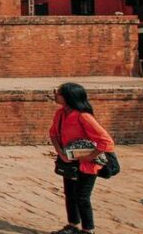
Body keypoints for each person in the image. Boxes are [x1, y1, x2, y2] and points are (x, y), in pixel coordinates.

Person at [49, 83, 115, 234]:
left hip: (88, 164)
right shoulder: (60, 114)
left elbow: (107, 141)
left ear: (68, 97)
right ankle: (72, 225)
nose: (55, 95)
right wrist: (60, 153)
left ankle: (88, 229)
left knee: (82, 197)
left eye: (58, 93)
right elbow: (53, 134)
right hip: (69, 162)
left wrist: (88, 157)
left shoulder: (83, 117)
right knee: (70, 195)